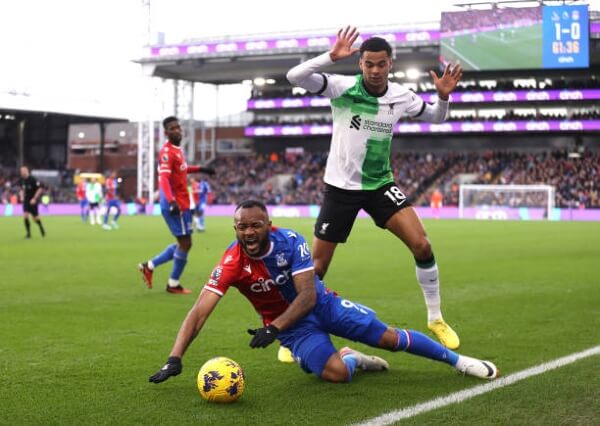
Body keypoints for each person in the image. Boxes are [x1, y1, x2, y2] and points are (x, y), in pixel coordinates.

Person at [148, 200, 498, 384]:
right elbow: (199, 312)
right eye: (242, 227)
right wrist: (175, 358)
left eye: (256, 225)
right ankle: (352, 358)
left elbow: (307, 297)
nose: (249, 232)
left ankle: (459, 362)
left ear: (269, 225)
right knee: (337, 375)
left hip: (320, 306)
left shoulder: (291, 242)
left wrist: (273, 329)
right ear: (235, 228)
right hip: (293, 329)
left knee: (388, 338)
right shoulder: (231, 262)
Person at [286, 27, 463, 349]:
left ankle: (435, 317)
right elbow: (295, 75)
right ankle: (295, 331)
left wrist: (444, 95)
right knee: (319, 267)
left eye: (381, 64)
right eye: (369, 64)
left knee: (422, 246)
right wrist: (330, 56)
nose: (375, 70)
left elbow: (437, 118)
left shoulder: (401, 97)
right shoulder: (341, 88)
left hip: (380, 184)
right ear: (360, 64)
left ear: (390, 64)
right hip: (340, 188)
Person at [138, 116, 216, 294]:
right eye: (173, 128)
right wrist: (171, 200)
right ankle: (172, 284)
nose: (177, 131)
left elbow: (182, 169)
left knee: (183, 242)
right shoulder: (167, 152)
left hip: (182, 202)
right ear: (166, 132)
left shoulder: (177, 150)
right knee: (185, 243)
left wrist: (201, 169)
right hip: (176, 204)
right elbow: (164, 178)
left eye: (178, 127)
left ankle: (149, 266)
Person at [19, 166, 45, 239]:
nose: (21, 172)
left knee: (35, 218)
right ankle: (28, 234)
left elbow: (40, 189)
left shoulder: (33, 179)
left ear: (27, 171)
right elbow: (21, 189)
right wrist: (21, 196)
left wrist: (34, 198)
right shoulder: (21, 180)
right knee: (25, 215)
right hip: (26, 201)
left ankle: (41, 227)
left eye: (23, 171)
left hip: (33, 201)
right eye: (21, 171)